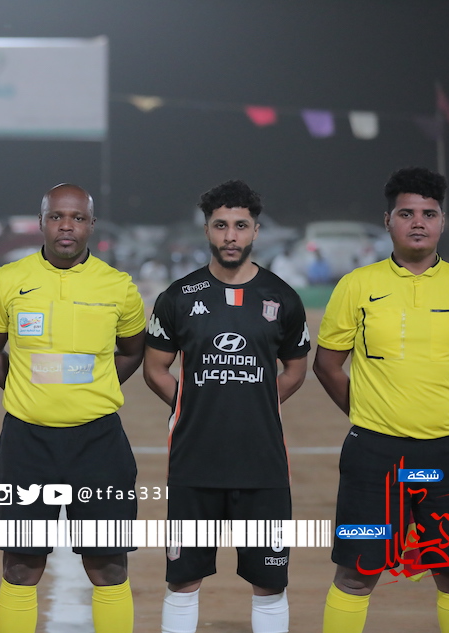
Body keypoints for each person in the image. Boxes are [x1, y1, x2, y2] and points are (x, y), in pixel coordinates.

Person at [314, 167, 449, 633]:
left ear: (443, 222)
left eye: (429, 214)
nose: (418, 222)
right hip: (375, 456)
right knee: (356, 574)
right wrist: (370, 413)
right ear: (388, 221)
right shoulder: (357, 285)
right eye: (406, 213)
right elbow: (327, 364)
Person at [0, 183, 146, 633]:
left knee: (109, 565)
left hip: (99, 442)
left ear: (91, 225)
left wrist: (96, 389)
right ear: (41, 222)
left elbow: (132, 351)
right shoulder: (8, 280)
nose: (66, 226)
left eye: (77, 218)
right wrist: (21, 387)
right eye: (56, 216)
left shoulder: (118, 287)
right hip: (26, 443)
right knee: (20, 566)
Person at [143, 180, 310, 633]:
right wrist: (193, 403)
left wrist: (256, 401)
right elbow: (155, 368)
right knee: (183, 580)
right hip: (194, 464)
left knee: (270, 583)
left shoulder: (282, 297)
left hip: (263, 467)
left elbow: (296, 368)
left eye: (240, 225)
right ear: (207, 230)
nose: (230, 236)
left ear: (255, 231)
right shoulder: (178, 297)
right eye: (221, 226)